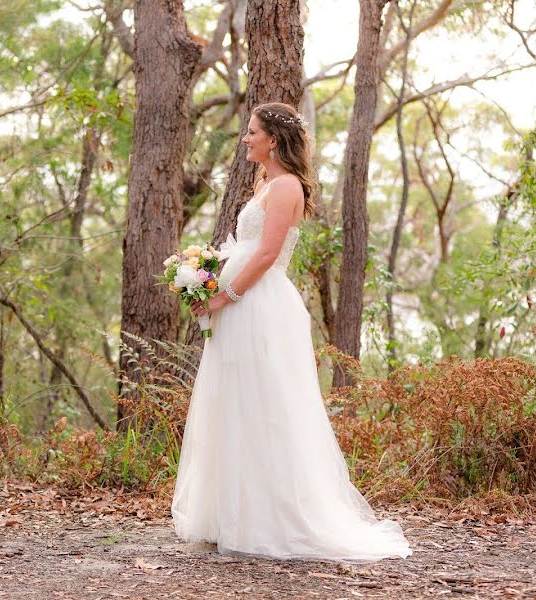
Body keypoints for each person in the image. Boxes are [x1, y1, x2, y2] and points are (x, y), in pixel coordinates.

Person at [172, 102, 412, 561]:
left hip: (258, 305)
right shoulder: (264, 183)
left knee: (266, 403)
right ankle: (231, 513)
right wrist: (203, 274)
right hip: (241, 302)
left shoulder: (285, 187)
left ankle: (271, 518)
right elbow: (243, 248)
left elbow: (265, 255)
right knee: (234, 402)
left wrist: (224, 296)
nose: (246, 139)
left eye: (253, 132)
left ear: (274, 140)